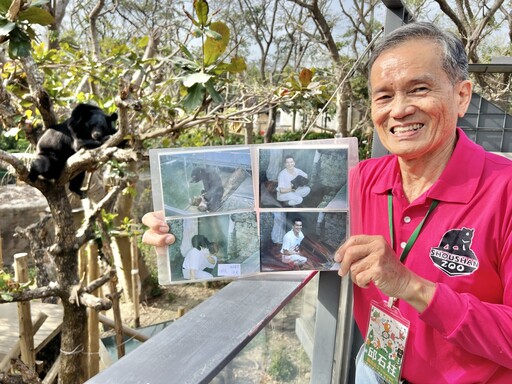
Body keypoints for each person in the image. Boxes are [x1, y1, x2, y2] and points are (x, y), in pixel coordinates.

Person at [334, 22, 512, 383]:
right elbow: (284, 237)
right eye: (384, 96)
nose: (399, 110)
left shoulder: (504, 192)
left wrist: (410, 286)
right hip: (376, 367)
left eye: (419, 89)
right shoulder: (358, 180)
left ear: (462, 96)